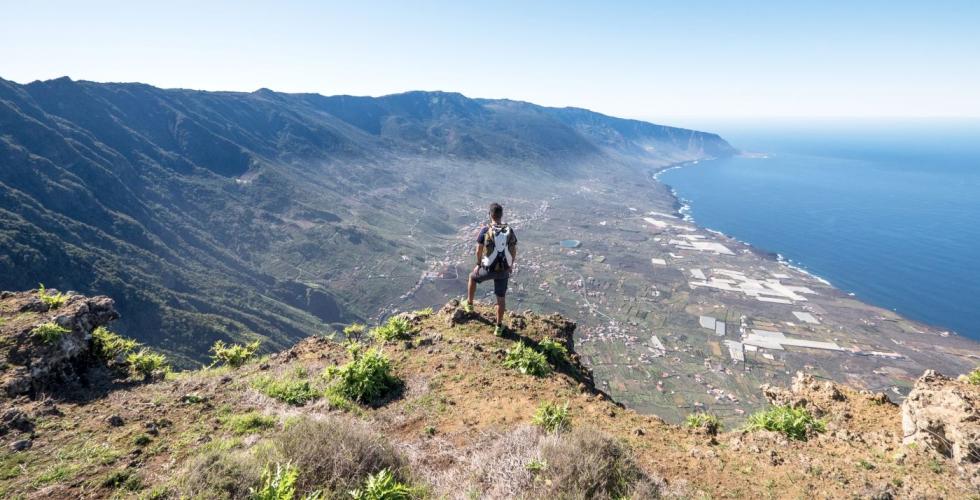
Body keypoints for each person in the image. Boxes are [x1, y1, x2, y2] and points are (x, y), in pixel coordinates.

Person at [465, 202, 518, 336]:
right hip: (504, 270)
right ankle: (499, 327)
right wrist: (510, 265)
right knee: (501, 298)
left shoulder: (485, 230)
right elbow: (513, 249)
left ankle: (470, 305)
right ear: (501, 215)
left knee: (472, 277)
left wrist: (478, 264)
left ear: (490, 215)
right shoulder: (509, 230)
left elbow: (479, 249)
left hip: (488, 269)